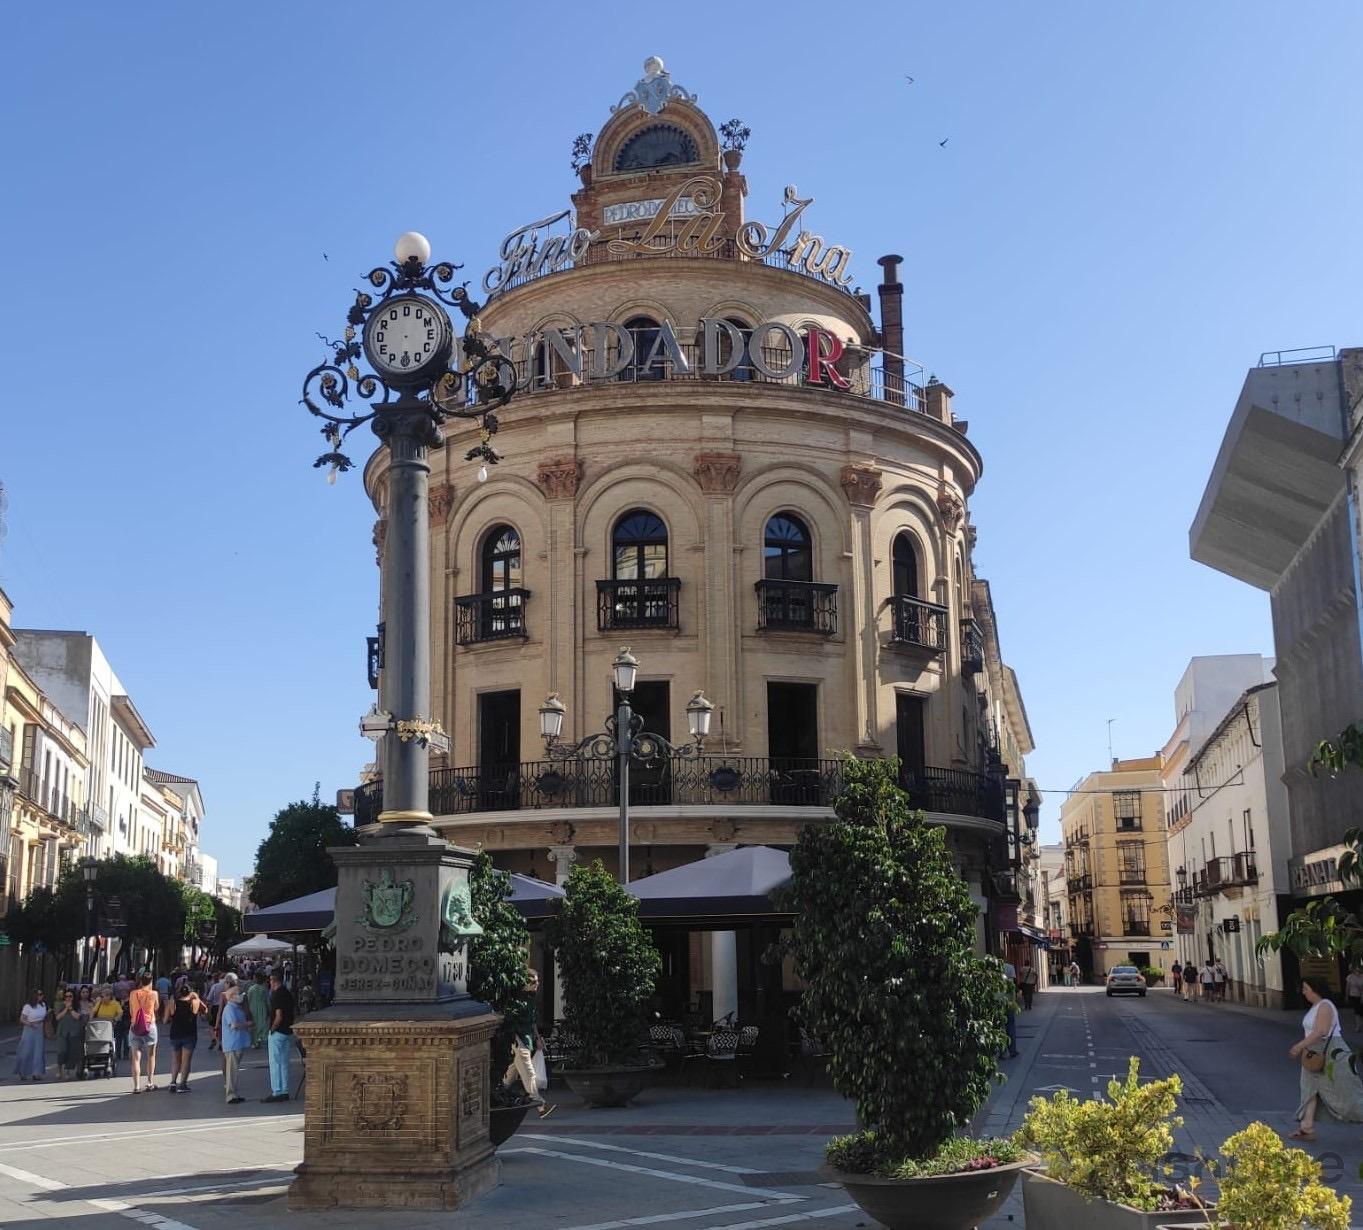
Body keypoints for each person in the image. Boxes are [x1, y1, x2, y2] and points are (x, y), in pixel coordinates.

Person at [1289, 977, 1363, 1139]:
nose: (1303, 992)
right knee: (1309, 1089)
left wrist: (1300, 1046)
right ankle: (1306, 1128)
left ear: (1315, 989)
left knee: (1344, 1091)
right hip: (1314, 1053)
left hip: (1331, 1052)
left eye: (1306, 989)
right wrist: (1305, 1048)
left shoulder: (1325, 1006)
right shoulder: (1315, 1006)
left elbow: (1321, 1031)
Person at [501, 969, 554, 1118]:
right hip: (519, 1040)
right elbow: (512, 1022)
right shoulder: (518, 1001)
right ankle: (541, 1105)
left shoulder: (530, 999)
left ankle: (494, 1094)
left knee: (512, 1072)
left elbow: (532, 1023)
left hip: (526, 1039)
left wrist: (538, 1038)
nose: (537, 984)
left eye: (537, 981)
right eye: (533, 982)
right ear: (525, 983)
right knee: (529, 1072)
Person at [163, 977, 206, 1093]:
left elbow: (165, 1020)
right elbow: (205, 1010)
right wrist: (196, 997)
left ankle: (173, 1082)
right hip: (189, 1034)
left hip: (175, 1034)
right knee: (186, 1060)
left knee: (175, 1060)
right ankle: (182, 1085)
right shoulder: (194, 1002)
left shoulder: (173, 1002)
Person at [262, 972, 296, 1103]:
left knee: (275, 1063)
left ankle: (277, 1091)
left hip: (278, 1032)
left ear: (272, 981)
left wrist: (272, 1029)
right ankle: (285, 1090)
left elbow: (278, 1015)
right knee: (284, 1063)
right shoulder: (287, 993)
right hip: (287, 1032)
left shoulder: (276, 995)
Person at [127, 972, 160, 1093]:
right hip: (149, 1025)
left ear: (140, 981)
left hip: (135, 1026)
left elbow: (131, 1011)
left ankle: (136, 1086)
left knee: (136, 1057)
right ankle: (150, 1083)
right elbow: (156, 1007)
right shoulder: (154, 994)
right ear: (151, 981)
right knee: (151, 1055)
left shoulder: (133, 994)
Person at [219, 984, 252, 1105]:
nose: (241, 995)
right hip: (232, 1043)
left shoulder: (237, 1007)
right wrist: (247, 1024)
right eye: (238, 993)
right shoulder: (230, 1008)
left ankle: (233, 1093)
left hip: (237, 1043)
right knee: (231, 1070)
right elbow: (233, 1024)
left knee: (234, 1070)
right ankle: (230, 1094)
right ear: (232, 996)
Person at [54, 988, 87, 1080]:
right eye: (66, 996)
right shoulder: (61, 1005)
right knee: (62, 1051)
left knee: (70, 1052)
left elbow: (77, 1017)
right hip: (62, 1031)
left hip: (73, 1032)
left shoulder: (77, 1005)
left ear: (73, 997)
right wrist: (66, 1008)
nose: (68, 998)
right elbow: (57, 1017)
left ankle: (67, 1071)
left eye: (70, 996)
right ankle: (59, 1069)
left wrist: (71, 1008)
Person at [15, 989, 47, 1080]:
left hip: (39, 1028)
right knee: (26, 1051)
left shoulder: (43, 1005)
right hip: (29, 1028)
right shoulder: (28, 1006)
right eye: (39, 994)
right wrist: (30, 1024)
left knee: (38, 1051)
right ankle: (23, 1072)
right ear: (34, 996)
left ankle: (36, 1073)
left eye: (42, 994)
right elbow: (22, 1019)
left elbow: (43, 1016)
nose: (41, 996)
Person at [1000, 960, 1020, 1058]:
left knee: (999, 1027)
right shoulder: (1009, 967)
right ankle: (1012, 1050)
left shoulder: (991, 968)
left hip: (996, 1001)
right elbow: (1011, 986)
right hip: (1007, 1000)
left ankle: (1002, 1052)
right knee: (1010, 1026)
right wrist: (1013, 1001)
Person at [246, 972, 270, 1049]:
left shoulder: (251, 989)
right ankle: (260, 1038)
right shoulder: (264, 989)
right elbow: (268, 1000)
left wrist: (248, 1009)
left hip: (252, 1008)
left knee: (254, 1025)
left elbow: (248, 999)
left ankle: (255, 1041)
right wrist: (269, 1009)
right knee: (262, 1023)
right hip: (262, 1009)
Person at [205, 970, 225, 1051]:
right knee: (221, 1026)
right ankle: (221, 1042)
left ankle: (214, 1039)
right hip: (225, 1007)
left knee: (211, 1025)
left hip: (215, 1007)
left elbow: (209, 999)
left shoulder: (215, 986)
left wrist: (207, 1008)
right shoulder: (226, 986)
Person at [1346, 967, 1363, 1031]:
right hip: (1353, 996)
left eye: (1359, 971)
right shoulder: (1350, 977)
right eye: (1356, 970)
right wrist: (1346, 996)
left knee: (1360, 1012)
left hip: (1361, 996)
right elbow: (1347, 987)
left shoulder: (1362, 977)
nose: (1357, 972)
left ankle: (1359, 1024)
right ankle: (1358, 1026)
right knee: (1357, 1011)